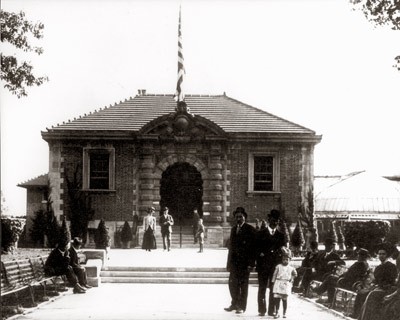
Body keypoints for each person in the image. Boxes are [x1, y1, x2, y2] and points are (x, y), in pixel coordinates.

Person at [224, 207, 256, 314]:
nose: (239, 218)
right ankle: (234, 303)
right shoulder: (233, 229)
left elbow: (253, 248)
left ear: (245, 218)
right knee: (232, 284)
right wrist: (228, 264)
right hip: (234, 263)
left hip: (244, 264)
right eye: (237, 217)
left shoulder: (250, 229)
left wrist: (251, 263)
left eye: (241, 216)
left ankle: (242, 306)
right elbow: (231, 248)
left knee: (243, 286)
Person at [255, 209, 286, 317]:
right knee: (262, 288)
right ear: (268, 220)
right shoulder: (260, 234)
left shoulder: (281, 235)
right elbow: (256, 249)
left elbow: (282, 251)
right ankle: (261, 309)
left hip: (274, 268)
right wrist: (261, 255)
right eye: (273, 220)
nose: (274, 223)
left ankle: (271, 310)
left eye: (276, 221)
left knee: (273, 289)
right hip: (263, 267)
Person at [357, 243, 398, 320]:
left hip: (387, 289)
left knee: (372, 294)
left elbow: (391, 280)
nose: (381, 256)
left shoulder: (391, 267)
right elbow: (376, 279)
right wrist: (373, 284)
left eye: (383, 254)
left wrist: (378, 286)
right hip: (378, 288)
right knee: (362, 293)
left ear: (387, 255)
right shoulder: (378, 267)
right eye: (379, 254)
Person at [271, 251, 297, 319]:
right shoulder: (278, 266)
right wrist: (273, 282)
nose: (285, 261)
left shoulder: (291, 268)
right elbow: (274, 274)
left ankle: (284, 312)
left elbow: (295, 274)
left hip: (286, 284)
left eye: (287, 260)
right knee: (277, 299)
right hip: (278, 283)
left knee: (284, 299)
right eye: (283, 259)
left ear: (289, 260)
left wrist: (292, 279)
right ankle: (277, 312)